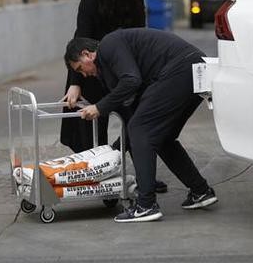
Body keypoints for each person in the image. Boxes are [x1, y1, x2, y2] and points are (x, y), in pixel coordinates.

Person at [64, 29, 218, 223]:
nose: (83, 75)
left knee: (141, 129)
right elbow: (132, 113)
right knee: (161, 138)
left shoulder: (109, 45)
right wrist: (113, 151)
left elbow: (132, 80)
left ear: (87, 54)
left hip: (183, 69)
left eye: (79, 69)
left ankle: (146, 205)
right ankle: (200, 191)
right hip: (192, 72)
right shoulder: (110, 67)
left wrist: (100, 107)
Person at [60, 0, 167, 193]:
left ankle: (143, 178)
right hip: (92, 69)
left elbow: (141, 29)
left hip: (126, 69)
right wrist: (76, 82)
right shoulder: (90, 0)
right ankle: (96, 178)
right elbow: (80, 41)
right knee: (92, 126)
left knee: (137, 123)